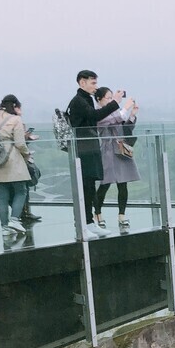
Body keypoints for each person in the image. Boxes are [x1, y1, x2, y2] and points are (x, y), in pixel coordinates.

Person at [66, 70, 130, 240]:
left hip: (89, 148)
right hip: (84, 149)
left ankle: (88, 223)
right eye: (93, 83)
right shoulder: (79, 101)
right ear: (82, 83)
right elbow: (95, 116)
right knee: (85, 187)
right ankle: (83, 225)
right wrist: (115, 102)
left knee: (89, 187)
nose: (95, 86)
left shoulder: (84, 99)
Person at [0, 95, 32, 237]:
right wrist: (27, 154)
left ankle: (4, 227)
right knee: (21, 190)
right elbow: (20, 144)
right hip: (11, 158)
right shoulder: (15, 119)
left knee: (2, 195)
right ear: (15, 105)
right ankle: (15, 219)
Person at [92, 87, 139, 230]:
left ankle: (122, 215)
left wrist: (132, 115)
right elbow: (114, 120)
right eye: (108, 98)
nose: (111, 100)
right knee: (105, 184)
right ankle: (98, 214)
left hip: (120, 149)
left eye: (112, 97)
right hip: (107, 151)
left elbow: (124, 127)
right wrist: (124, 109)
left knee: (123, 184)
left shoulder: (114, 113)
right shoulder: (99, 114)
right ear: (99, 99)